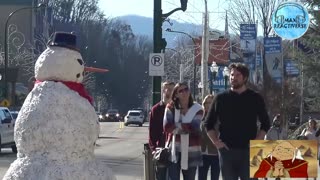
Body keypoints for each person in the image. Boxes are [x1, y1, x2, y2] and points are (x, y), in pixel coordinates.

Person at [204, 63, 271, 180]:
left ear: (245, 78)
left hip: (249, 151)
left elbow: (266, 123)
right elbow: (208, 123)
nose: (233, 77)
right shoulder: (220, 98)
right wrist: (216, 142)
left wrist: (257, 141)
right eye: (231, 74)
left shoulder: (255, 98)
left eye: (237, 75)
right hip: (227, 151)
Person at [163, 82, 203, 180]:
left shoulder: (198, 109)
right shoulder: (170, 107)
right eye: (181, 91)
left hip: (192, 151)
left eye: (186, 89)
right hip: (174, 151)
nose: (184, 92)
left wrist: (176, 127)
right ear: (176, 94)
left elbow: (194, 127)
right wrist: (185, 127)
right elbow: (167, 126)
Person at [149, 81, 175, 180]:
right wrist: (154, 149)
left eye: (171, 89)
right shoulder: (155, 109)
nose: (168, 91)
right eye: (166, 89)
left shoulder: (177, 108)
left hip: (174, 150)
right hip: (160, 150)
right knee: (160, 176)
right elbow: (152, 132)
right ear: (162, 91)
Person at [198, 95, 220, 180]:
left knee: (215, 177)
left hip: (215, 153)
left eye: (211, 102)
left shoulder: (219, 117)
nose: (209, 105)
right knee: (201, 177)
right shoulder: (200, 117)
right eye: (207, 102)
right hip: (202, 153)